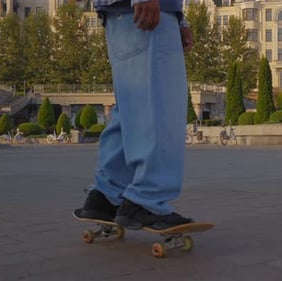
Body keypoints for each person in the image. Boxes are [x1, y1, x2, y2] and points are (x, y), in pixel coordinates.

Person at [77, 0, 194, 230]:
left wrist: (181, 18)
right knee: (160, 106)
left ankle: (107, 195)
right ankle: (145, 199)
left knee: (133, 108)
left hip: (124, 13)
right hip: (147, 11)